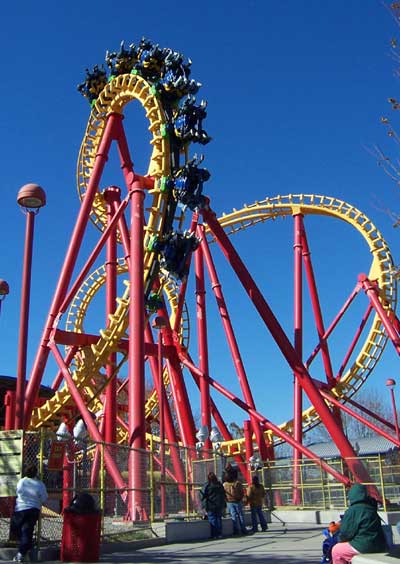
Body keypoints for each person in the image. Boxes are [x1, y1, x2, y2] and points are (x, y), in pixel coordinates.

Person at [331, 483, 386, 564]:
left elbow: (345, 533)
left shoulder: (353, 510)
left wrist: (340, 539)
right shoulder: (371, 507)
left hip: (364, 546)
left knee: (336, 550)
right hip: (380, 545)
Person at [11, 464, 48, 563]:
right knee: (27, 531)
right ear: (36, 473)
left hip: (20, 509)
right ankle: (24, 550)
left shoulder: (22, 481)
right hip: (33, 509)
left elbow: (18, 492)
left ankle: (23, 551)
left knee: (17, 529)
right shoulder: (40, 484)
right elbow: (44, 499)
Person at [200, 471, 226, 539]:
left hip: (210, 505)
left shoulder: (207, 485)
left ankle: (214, 534)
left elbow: (202, 495)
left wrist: (203, 504)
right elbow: (223, 494)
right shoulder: (219, 485)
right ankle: (219, 534)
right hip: (219, 504)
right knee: (218, 519)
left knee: (212, 519)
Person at [223, 466, 248, 535]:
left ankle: (236, 530)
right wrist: (240, 498)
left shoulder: (225, 484)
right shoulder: (237, 483)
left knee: (233, 516)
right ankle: (243, 529)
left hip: (229, 501)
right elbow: (242, 492)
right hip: (237, 500)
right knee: (240, 515)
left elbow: (224, 493)